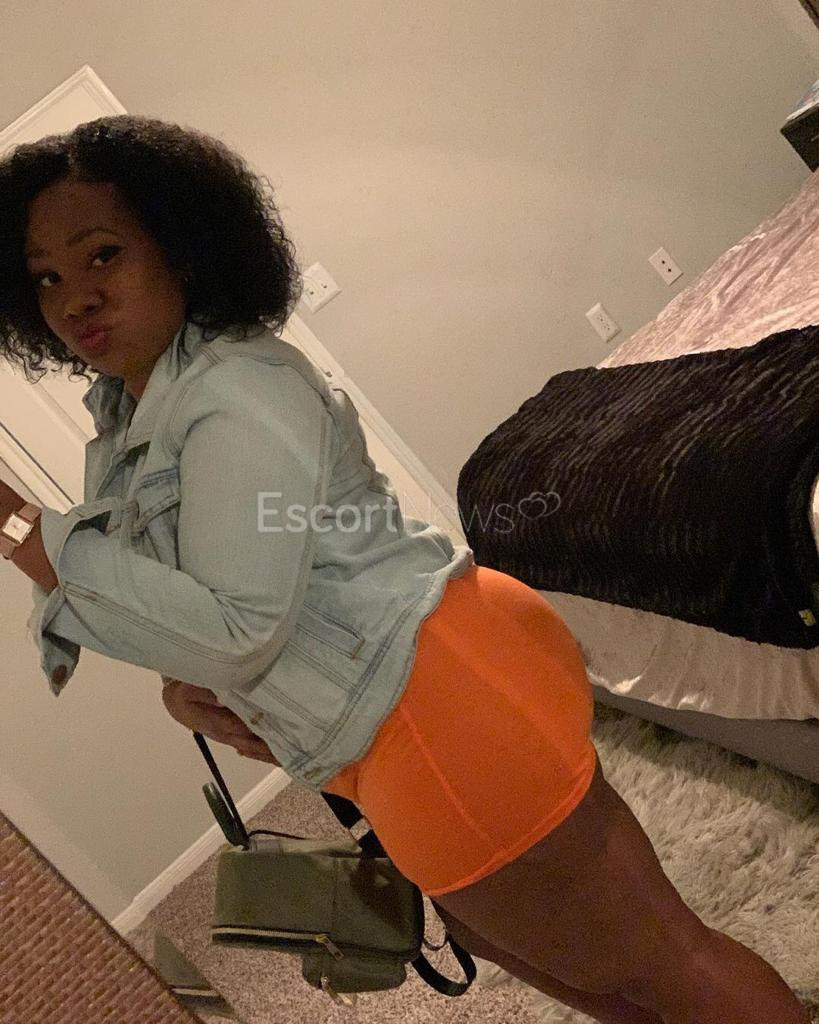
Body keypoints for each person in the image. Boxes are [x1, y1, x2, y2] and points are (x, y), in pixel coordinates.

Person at [0, 115, 809, 1024]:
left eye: (103, 254)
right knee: (574, 970)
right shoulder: (127, 420)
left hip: (428, 705)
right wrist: (185, 688)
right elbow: (188, 600)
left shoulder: (234, 390)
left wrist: (16, 523)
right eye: (46, 277)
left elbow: (236, 626)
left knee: (658, 961)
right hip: (384, 722)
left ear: (181, 248)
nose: (75, 298)